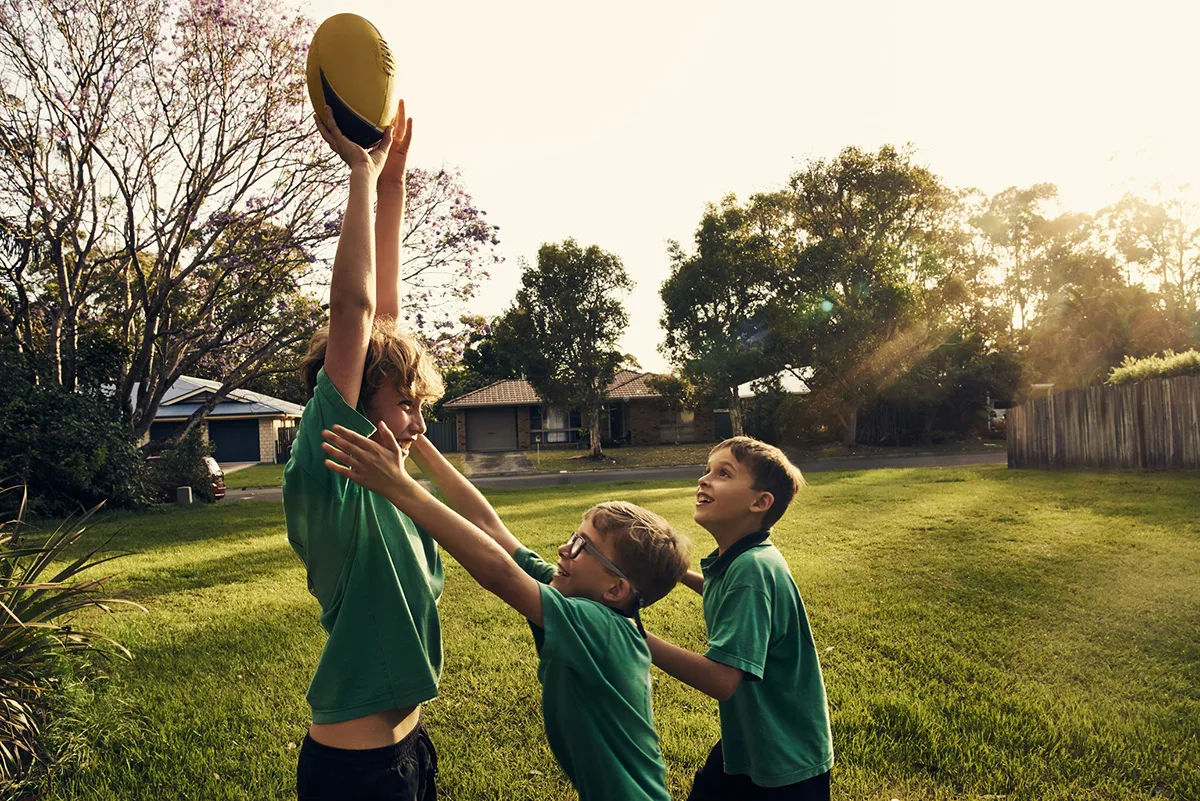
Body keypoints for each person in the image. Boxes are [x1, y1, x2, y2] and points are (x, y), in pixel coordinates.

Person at [319, 425, 691, 801]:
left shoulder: (602, 628)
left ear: (616, 589)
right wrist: (416, 442)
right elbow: (489, 527)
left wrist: (398, 486)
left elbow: (499, 572)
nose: (564, 548)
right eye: (573, 536)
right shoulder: (580, 597)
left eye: (582, 546)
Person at [283, 100, 445, 801]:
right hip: (356, 776)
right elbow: (354, 313)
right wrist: (356, 169)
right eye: (406, 403)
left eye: (420, 404)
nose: (416, 420)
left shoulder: (394, 486)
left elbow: (384, 317)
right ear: (353, 402)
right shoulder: (329, 473)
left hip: (411, 747)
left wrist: (392, 181)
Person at [646, 436, 834, 800]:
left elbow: (722, 680)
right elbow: (728, 596)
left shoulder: (751, 571)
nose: (704, 480)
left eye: (723, 473)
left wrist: (631, 632)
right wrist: (680, 572)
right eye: (706, 471)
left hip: (784, 762)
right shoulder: (744, 558)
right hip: (758, 739)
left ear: (760, 502)